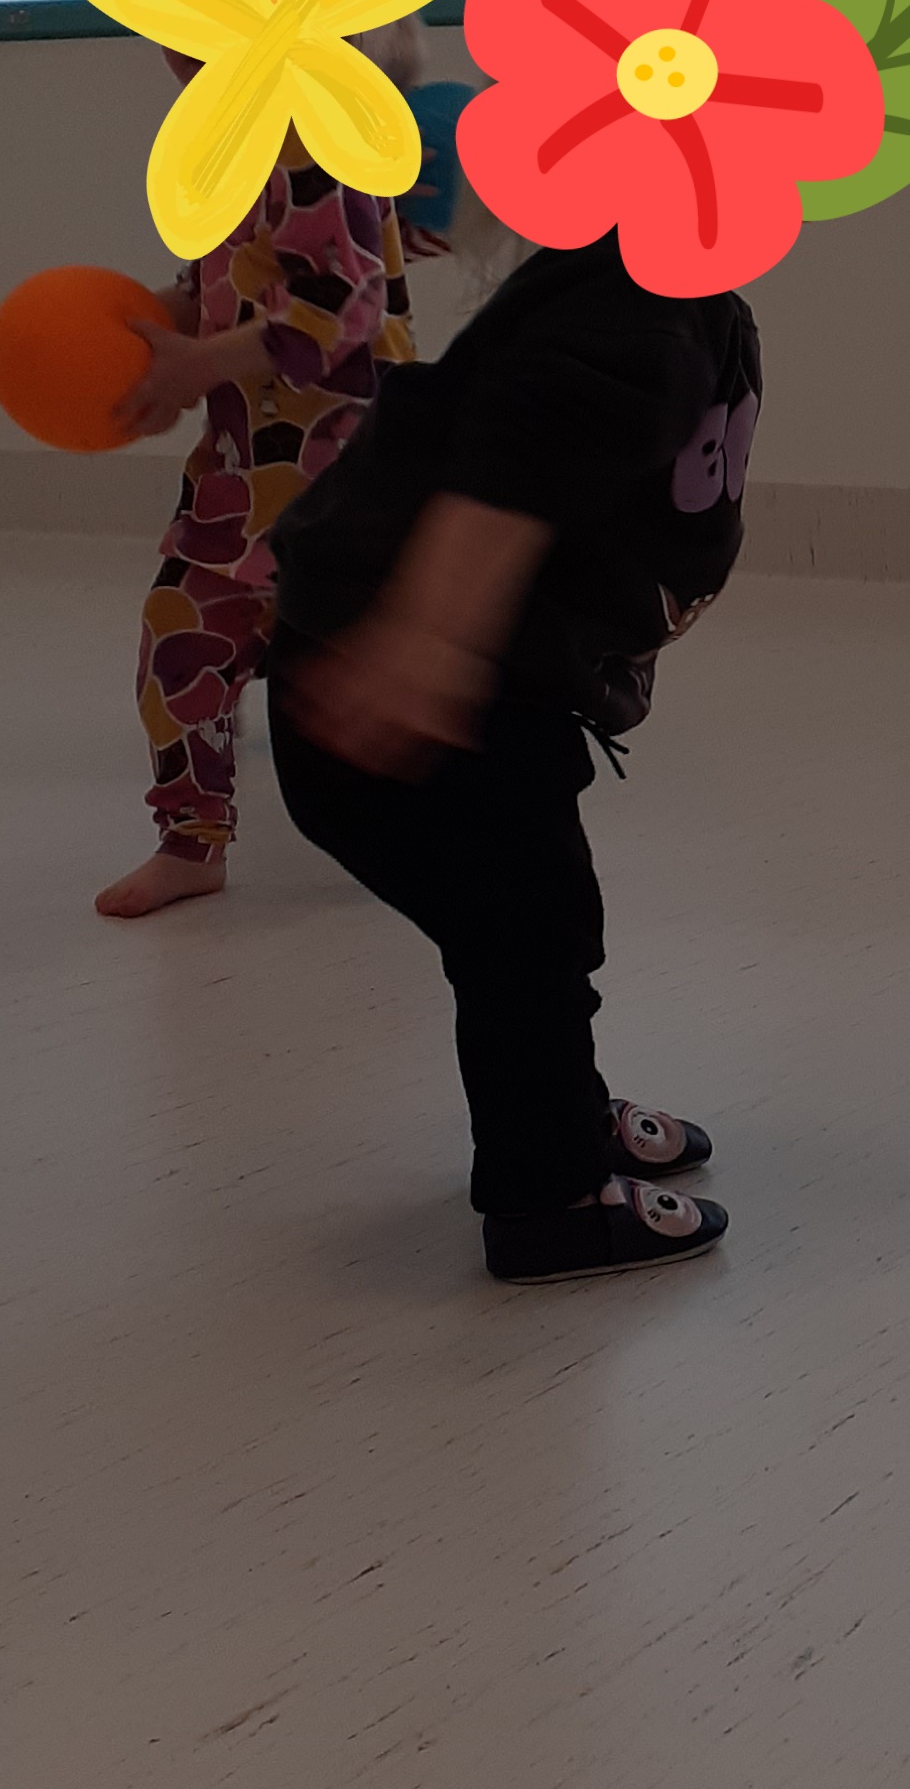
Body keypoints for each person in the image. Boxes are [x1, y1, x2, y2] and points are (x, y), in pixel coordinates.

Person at [264, 228, 760, 1289]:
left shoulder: (674, 287)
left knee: (527, 926)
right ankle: (549, 1199)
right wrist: (426, 638)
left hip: (472, 670)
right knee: (528, 931)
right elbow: (518, 451)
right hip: (417, 675)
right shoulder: (640, 302)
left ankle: (562, 1112)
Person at [93, 0, 424, 922]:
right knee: (179, 633)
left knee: (362, 669)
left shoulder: (318, 132)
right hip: (244, 466)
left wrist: (199, 364)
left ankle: (424, 831)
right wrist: (159, 317)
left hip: (346, 463)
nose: (166, 40)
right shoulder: (230, 137)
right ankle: (190, 841)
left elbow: (341, 310)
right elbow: (230, 272)